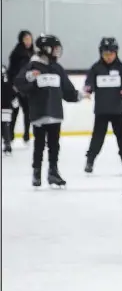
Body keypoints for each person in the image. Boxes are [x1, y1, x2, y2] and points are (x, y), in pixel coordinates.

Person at [14, 34, 89, 187]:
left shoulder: (57, 68)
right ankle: (36, 171)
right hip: (39, 113)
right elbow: (19, 84)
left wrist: (80, 95)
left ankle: (53, 172)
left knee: (54, 145)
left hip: (55, 113)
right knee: (39, 144)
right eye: (54, 49)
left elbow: (67, 90)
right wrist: (30, 80)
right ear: (46, 49)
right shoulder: (32, 67)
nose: (57, 52)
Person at [83, 37, 122, 173]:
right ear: (101, 53)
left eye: (111, 54)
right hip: (101, 110)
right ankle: (90, 161)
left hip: (117, 110)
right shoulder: (96, 68)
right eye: (106, 54)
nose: (108, 57)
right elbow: (89, 82)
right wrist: (88, 88)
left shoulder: (121, 68)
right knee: (97, 137)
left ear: (116, 53)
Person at [7, 30, 34, 144]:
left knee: (27, 111)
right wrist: (14, 85)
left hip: (26, 87)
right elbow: (13, 71)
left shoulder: (32, 53)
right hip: (15, 87)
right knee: (14, 111)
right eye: (26, 39)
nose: (28, 41)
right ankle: (10, 134)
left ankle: (26, 134)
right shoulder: (17, 53)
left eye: (30, 39)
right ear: (21, 40)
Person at [1, 64, 17, 155]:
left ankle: (7, 145)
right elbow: (12, 92)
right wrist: (15, 103)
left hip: (5, 107)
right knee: (5, 127)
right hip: (6, 108)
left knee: (5, 127)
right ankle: (7, 146)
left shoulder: (8, 83)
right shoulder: (9, 82)